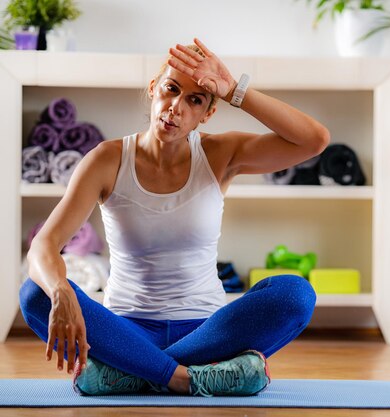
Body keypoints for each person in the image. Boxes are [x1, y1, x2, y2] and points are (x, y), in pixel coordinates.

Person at [19, 38, 330, 397]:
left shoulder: (219, 154)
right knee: (34, 295)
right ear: (154, 90)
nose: (175, 107)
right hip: (127, 328)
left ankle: (132, 372)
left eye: (194, 100)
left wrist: (234, 91)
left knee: (295, 294)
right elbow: (44, 245)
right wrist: (60, 291)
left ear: (207, 113)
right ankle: (188, 378)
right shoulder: (107, 159)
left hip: (208, 330)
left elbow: (314, 140)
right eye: (171, 90)